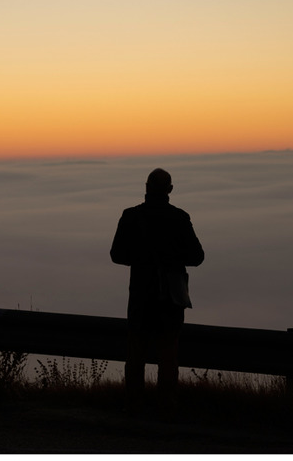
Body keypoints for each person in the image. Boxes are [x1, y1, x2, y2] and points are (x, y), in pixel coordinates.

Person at [110, 168, 204, 413]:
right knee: (168, 355)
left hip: (140, 297)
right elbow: (197, 257)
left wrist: (142, 260)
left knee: (136, 354)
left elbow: (117, 255)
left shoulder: (130, 216)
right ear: (170, 190)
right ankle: (166, 406)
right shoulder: (180, 218)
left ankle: (133, 406)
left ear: (146, 187)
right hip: (170, 299)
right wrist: (172, 258)